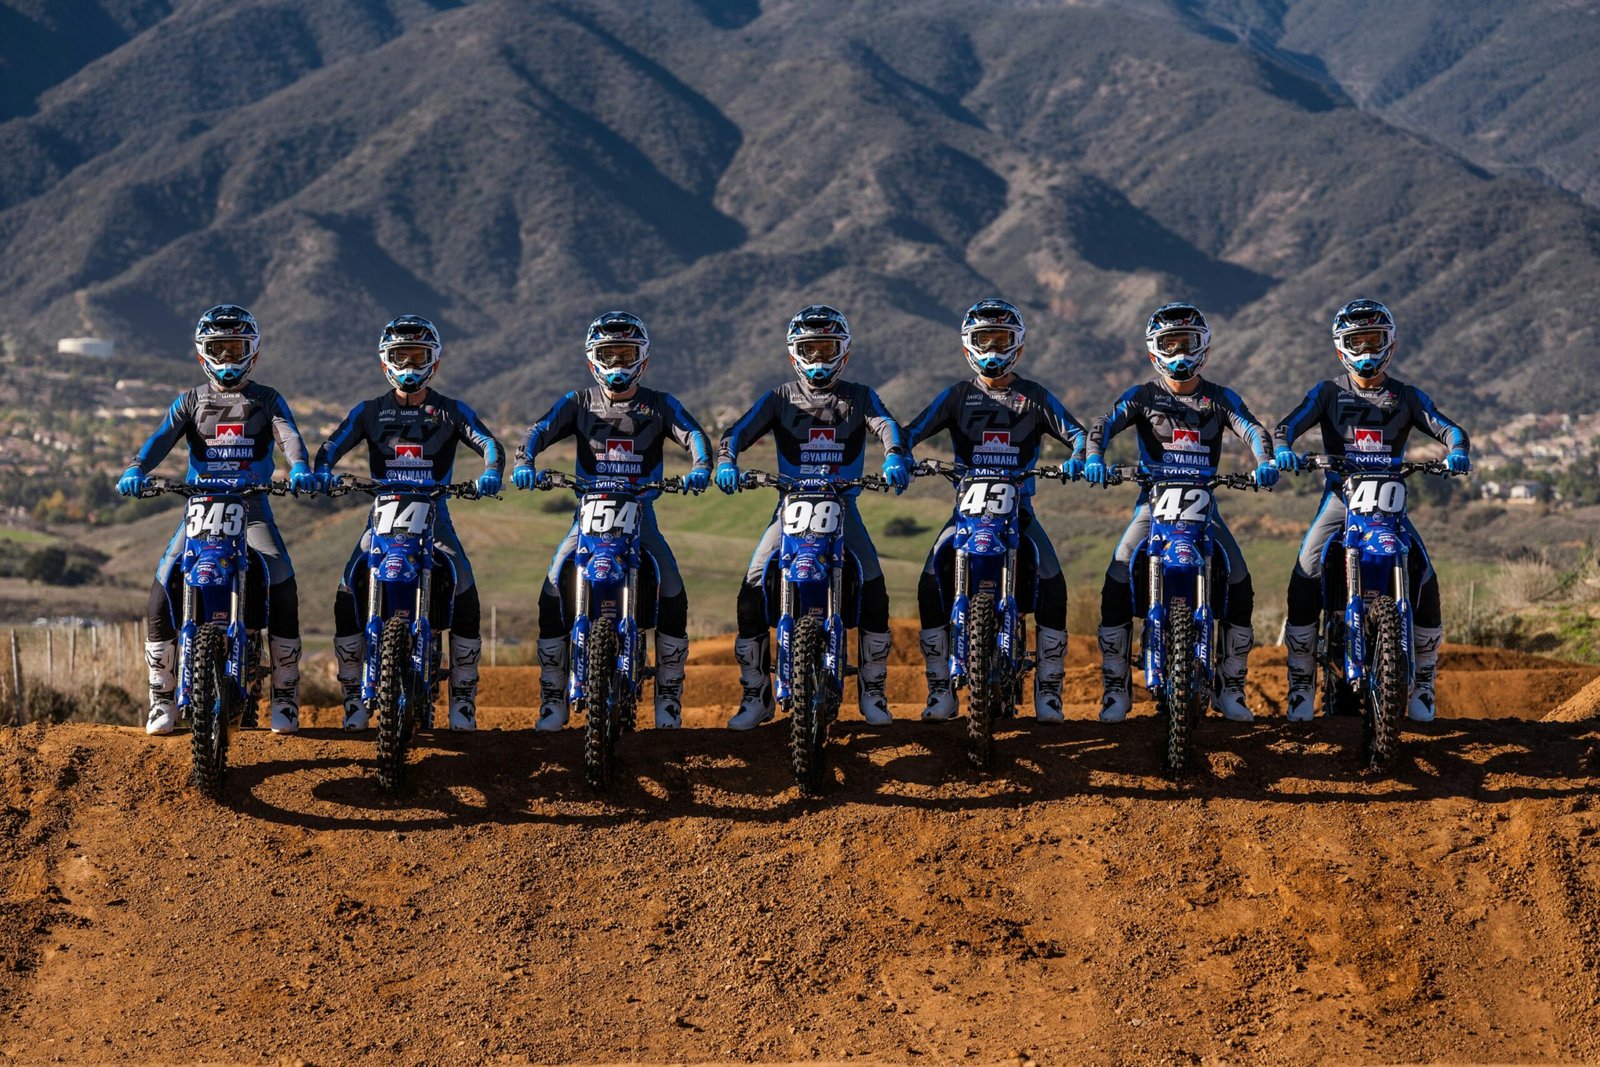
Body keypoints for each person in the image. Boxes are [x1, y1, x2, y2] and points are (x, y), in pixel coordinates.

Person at [117, 305, 316, 736]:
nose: (227, 358)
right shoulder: (190, 401)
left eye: (236, 349)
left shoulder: (267, 399)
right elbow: (160, 439)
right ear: (201, 353)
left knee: (282, 582)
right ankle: (161, 698)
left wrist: (299, 465)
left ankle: (284, 695)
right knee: (161, 588)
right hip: (200, 508)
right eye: (218, 349)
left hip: (252, 509)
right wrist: (137, 468)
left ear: (253, 352)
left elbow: (288, 435)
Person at [714, 305, 913, 730]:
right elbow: (737, 432)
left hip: (842, 506)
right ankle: (755, 694)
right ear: (794, 353)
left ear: (844, 352)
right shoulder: (779, 398)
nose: (819, 358)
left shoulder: (860, 396)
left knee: (874, 586)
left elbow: (886, 425)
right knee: (752, 586)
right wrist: (727, 460)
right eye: (810, 349)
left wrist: (895, 454)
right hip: (789, 506)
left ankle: (873, 691)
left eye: (828, 349)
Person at [1272, 299, 1470, 723]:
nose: (1365, 350)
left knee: (1425, 574)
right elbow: (1286, 426)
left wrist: (1456, 451)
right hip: (1340, 500)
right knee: (1306, 570)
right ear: (1340, 347)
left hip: (1389, 504)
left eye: (1373, 340)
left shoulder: (1407, 396)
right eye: (1356, 341)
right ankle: (1301, 683)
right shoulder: (1327, 392)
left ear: (1389, 343)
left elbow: (1449, 428)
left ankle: (1425, 681)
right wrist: (1285, 449)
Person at [513, 311, 712, 730]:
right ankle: (553, 697)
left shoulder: (660, 404)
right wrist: (524, 461)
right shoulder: (578, 402)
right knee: (552, 586)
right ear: (593, 359)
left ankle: (669, 695)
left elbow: (694, 434)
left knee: (672, 588)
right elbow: (539, 430)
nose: (618, 363)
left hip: (641, 513)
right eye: (609, 354)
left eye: (627, 354)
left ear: (643, 358)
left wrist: (700, 466)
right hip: (587, 514)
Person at [1084, 302, 1277, 724]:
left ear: (1203, 345)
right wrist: (1094, 456)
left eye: (1186, 343)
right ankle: (1116, 689)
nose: (1179, 354)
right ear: (1154, 349)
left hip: (1204, 508)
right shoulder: (1142, 396)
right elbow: (1104, 423)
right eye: (1169, 345)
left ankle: (1231, 687)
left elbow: (1252, 428)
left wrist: (1264, 460)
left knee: (1239, 580)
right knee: (1118, 574)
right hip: (1152, 506)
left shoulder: (1220, 398)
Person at [313, 315, 504, 731]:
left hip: (435, 515)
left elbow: (489, 443)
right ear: (386, 360)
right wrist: (323, 470)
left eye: (418, 356)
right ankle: (353, 697)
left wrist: (491, 472)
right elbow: (330, 446)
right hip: (382, 516)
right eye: (401, 356)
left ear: (434, 361)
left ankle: (463, 699)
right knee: (348, 588)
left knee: (464, 586)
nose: (409, 365)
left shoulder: (451, 410)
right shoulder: (369, 412)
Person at [906, 298, 1087, 722]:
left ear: (1017, 345)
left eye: (1001, 340)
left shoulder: (1034, 397)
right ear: (967, 344)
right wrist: (900, 454)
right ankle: (939, 689)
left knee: (1053, 583)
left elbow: (1078, 434)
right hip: (967, 511)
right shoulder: (957, 396)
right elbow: (911, 431)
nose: (991, 349)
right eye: (983, 340)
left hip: (1019, 510)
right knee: (929, 580)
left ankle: (1049, 690)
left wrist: (1082, 456)